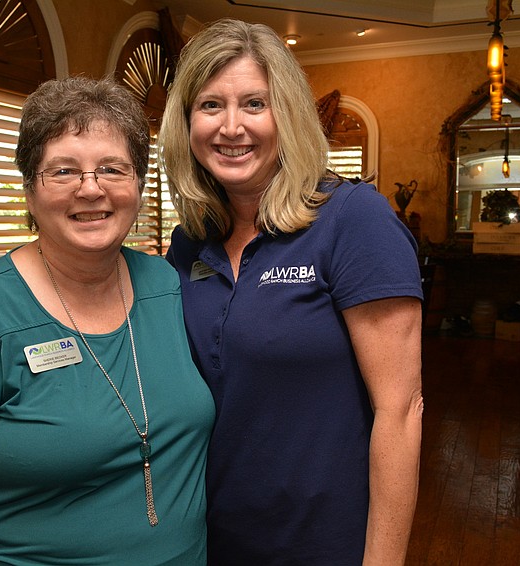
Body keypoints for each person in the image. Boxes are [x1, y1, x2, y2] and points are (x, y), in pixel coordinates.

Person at [0, 76, 215, 565]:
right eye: (64, 171)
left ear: (138, 185)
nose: (90, 189)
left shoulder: (170, 286)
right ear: (30, 190)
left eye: (112, 169)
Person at [159, 18, 424, 565]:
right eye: (210, 105)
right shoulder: (190, 240)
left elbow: (400, 412)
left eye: (255, 103)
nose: (232, 127)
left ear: (289, 115)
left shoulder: (353, 220)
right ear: (185, 123)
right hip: (209, 538)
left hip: (323, 542)